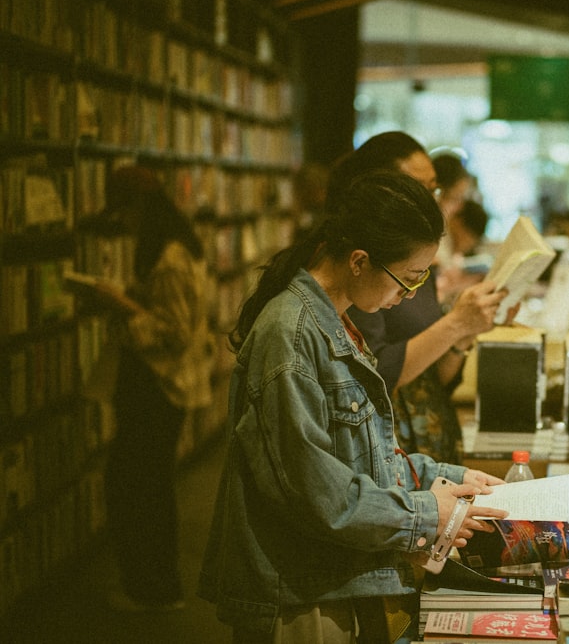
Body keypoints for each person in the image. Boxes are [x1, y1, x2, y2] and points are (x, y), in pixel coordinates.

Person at [198, 170, 508, 643]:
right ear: (359, 261)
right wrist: (427, 512)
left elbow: (360, 453)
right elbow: (313, 489)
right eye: (406, 278)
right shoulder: (293, 332)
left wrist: (445, 476)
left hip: (332, 578)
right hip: (300, 593)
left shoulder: (338, 321)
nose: (408, 294)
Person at [331, 132, 511, 465]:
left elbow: (434, 377)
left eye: (434, 189)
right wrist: (455, 324)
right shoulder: (366, 272)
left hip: (423, 451)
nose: (435, 201)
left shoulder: (410, 257)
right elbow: (375, 373)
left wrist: (464, 332)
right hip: (387, 451)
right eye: (421, 188)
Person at [84, 166, 215, 612]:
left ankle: (154, 589)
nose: (122, 224)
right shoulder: (173, 248)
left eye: (124, 212)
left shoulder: (171, 256)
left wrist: (119, 303)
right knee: (145, 486)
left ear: (139, 207)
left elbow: (173, 332)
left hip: (158, 387)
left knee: (140, 488)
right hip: (154, 386)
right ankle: (153, 585)